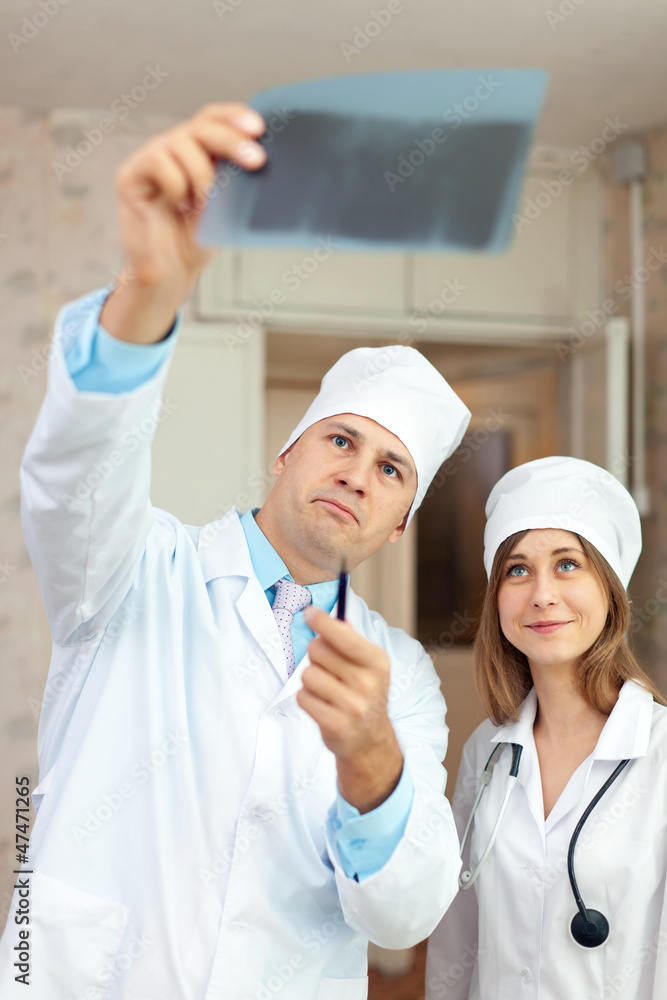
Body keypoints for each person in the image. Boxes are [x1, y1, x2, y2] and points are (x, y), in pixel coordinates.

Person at [0, 104, 471, 999]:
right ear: (286, 452)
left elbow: (403, 922)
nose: (357, 474)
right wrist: (147, 297)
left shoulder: (400, 678)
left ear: (398, 523)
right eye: (340, 440)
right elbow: (73, 481)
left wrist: (373, 761)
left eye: (390, 469)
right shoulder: (136, 570)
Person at [425, 456, 667, 1000]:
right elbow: (457, 939)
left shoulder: (660, 753)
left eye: (567, 564)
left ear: (610, 588)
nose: (541, 594)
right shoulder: (486, 753)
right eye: (517, 570)